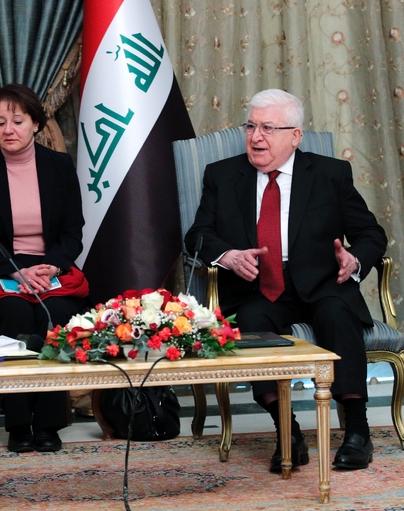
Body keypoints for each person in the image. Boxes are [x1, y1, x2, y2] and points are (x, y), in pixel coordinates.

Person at [185, 89, 387, 472]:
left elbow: (371, 232)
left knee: (336, 313)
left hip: (322, 279)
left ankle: (358, 430)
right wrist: (228, 255)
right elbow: (197, 235)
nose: (256, 137)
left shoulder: (330, 174)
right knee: (254, 322)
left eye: (268, 128)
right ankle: (287, 432)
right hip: (258, 285)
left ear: (295, 135)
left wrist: (355, 258)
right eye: (251, 126)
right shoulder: (223, 175)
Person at [0, 84, 89, 454]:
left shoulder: (59, 167)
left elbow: (73, 232)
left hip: (50, 267)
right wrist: (15, 273)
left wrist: (52, 266)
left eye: (17, 121)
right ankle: (18, 423)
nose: (8, 129)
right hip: (0, 269)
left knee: (55, 313)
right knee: (14, 312)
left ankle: (49, 423)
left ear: (36, 125)